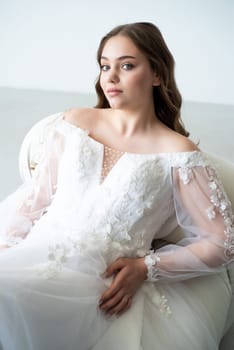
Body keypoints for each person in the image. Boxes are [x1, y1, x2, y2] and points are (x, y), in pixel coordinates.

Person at [0, 22, 233, 350]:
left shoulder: (179, 155)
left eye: (126, 65)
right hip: (31, 260)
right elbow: (34, 202)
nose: (109, 77)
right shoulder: (74, 124)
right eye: (104, 66)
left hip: (98, 286)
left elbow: (222, 243)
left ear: (157, 75)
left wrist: (145, 267)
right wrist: (8, 253)